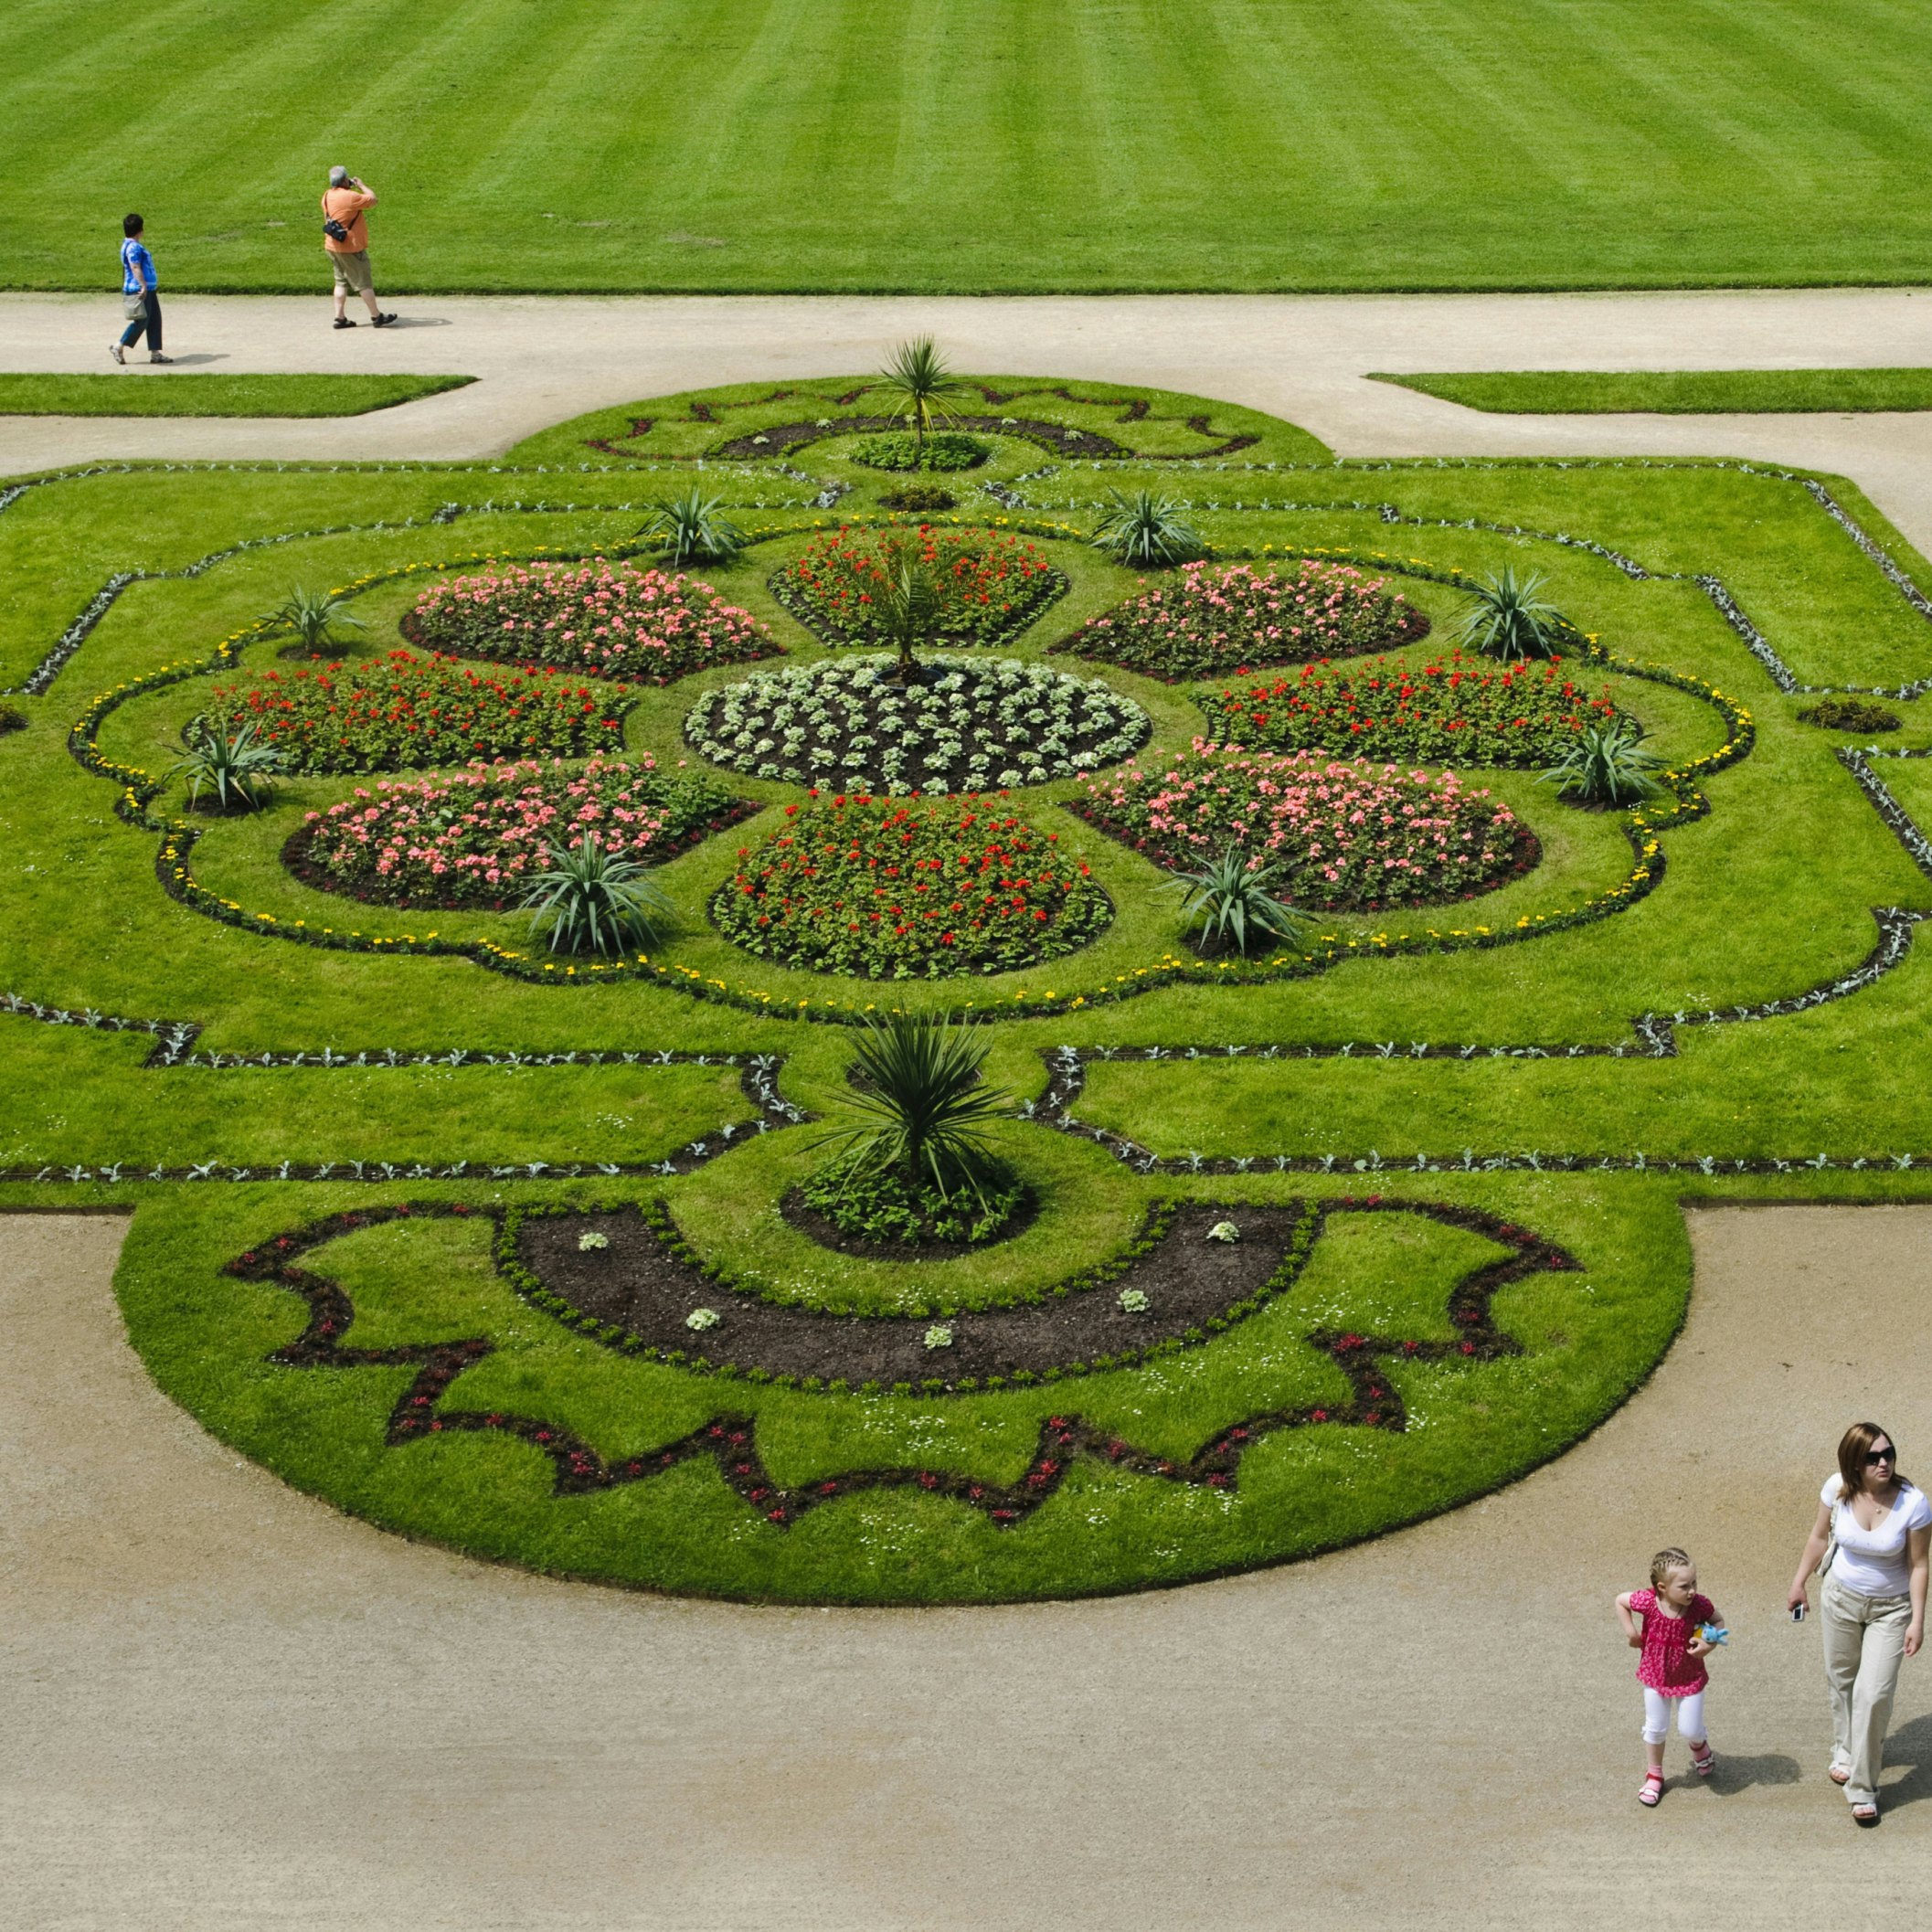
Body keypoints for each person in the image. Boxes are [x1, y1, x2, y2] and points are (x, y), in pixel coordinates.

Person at [1788, 1421, 1930, 1824]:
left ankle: (1863, 1787)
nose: (1884, 1463)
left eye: (1888, 1453)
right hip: (1840, 1598)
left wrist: (1917, 1620)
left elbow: (1919, 1565)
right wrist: (1799, 1582)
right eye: (1872, 1457)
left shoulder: (1913, 1503)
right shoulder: (1837, 1489)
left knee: (1874, 1693)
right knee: (1842, 1679)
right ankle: (1846, 1750)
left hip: (1892, 1609)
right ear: (1854, 1463)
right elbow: (1819, 1537)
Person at [1615, 1546, 1721, 1806]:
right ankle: (1654, 1775)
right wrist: (1631, 1633)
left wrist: (1708, 1644)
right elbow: (1620, 1600)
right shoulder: (1648, 1602)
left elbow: (1718, 1622)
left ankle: (1699, 1746)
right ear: (1662, 1587)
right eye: (1684, 1586)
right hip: (1655, 1676)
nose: (1692, 1590)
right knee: (1655, 1728)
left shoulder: (1699, 1605)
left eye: (1694, 1582)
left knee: (1690, 1729)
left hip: (1689, 1676)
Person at [321, 165, 396, 330]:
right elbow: (373, 199)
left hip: (332, 246)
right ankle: (376, 316)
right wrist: (361, 185)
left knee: (340, 282)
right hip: (351, 248)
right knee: (363, 283)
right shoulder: (351, 197)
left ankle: (340, 317)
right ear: (344, 180)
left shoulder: (326, 195)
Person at [111, 213, 169, 365]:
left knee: (154, 319)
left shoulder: (131, 245)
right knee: (142, 321)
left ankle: (155, 353)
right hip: (139, 289)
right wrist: (143, 285)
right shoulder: (133, 247)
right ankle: (119, 346)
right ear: (140, 230)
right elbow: (135, 267)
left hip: (147, 289)